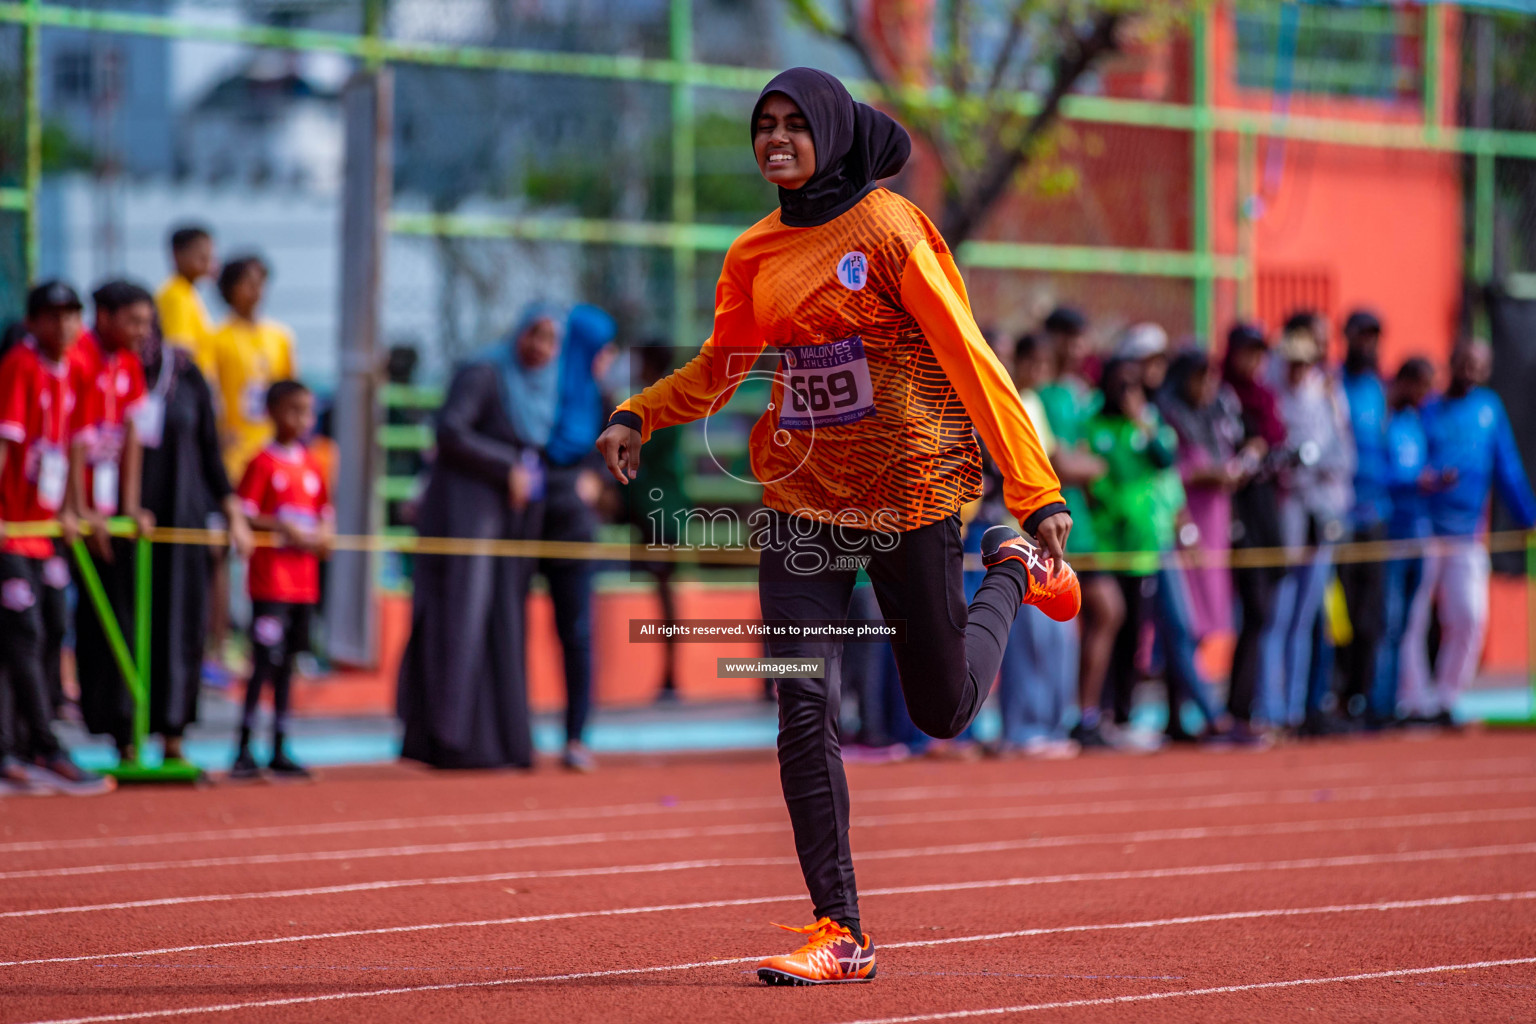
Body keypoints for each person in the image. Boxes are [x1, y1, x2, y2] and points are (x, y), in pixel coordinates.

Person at [595, 68, 1077, 986]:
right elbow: (719, 366)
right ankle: (840, 927)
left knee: (941, 711)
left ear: (831, 131)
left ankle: (1010, 568)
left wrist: (1034, 494)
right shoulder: (755, 253)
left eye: (792, 126)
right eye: (762, 127)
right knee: (802, 699)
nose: (774, 141)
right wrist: (638, 413)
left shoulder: (892, 230)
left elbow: (973, 362)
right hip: (803, 506)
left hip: (914, 495)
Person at [396, 305, 558, 770]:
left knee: (501, 624)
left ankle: (497, 744)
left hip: (508, 523)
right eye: (535, 335)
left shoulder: (540, 389)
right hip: (464, 518)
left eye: (551, 341)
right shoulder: (484, 372)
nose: (540, 349)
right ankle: (451, 741)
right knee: (461, 623)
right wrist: (505, 464)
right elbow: (450, 430)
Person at [0, 282, 113, 794]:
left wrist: (73, 511)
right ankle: (39, 744)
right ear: (34, 322)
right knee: (21, 637)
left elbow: (71, 450)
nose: (65, 326)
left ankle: (24, 745)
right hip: (12, 531)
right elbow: (8, 443)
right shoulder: (20, 367)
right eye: (54, 316)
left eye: (73, 316)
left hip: (45, 533)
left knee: (48, 629)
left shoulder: (79, 370)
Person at [136, 318, 255, 761]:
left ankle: (173, 739)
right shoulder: (112, 371)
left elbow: (211, 452)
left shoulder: (187, 374)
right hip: (128, 529)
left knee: (182, 627)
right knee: (132, 625)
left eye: (141, 322)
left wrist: (232, 515)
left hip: (183, 523)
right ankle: (126, 739)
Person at [1400, 339, 1536, 724]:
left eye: (1478, 365)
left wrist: (1528, 516)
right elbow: (1411, 458)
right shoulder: (1428, 409)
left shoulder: (1489, 410)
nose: (1469, 371)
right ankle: (1413, 699)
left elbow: (1506, 466)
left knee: (1470, 617)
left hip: (1468, 534)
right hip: (1425, 529)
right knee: (1413, 618)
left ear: (1487, 370)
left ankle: (1447, 696)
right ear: (1452, 362)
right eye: (1464, 362)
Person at [67, 281, 156, 761]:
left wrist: (130, 506)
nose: (143, 332)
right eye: (134, 321)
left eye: (146, 322)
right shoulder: (76, 357)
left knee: (122, 616)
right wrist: (79, 510)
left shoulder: (129, 364)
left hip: (107, 512)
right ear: (104, 316)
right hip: (64, 510)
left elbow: (132, 437)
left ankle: (123, 731)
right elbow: (71, 437)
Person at [231, 380, 332, 779]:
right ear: (273, 412)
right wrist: (281, 527)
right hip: (271, 582)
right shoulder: (262, 463)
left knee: (289, 664)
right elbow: (245, 512)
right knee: (263, 663)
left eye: (306, 412)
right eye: (293, 410)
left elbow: (325, 514)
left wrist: (324, 536)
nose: (301, 420)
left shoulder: (312, 464)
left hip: (303, 583)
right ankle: (242, 746)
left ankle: (279, 745)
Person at [205, 254, 295, 678]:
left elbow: (289, 396)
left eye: (261, 282)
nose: (255, 291)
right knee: (222, 554)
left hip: (268, 463)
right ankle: (218, 645)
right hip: (231, 463)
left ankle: (269, 643)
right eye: (247, 282)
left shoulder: (279, 337)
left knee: (272, 553)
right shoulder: (217, 338)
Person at [1037, 307, 1121, 751]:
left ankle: (1085, 714)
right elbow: (1063, 463)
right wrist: (1095, 465)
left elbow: (1090, 458)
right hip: (1053, 524)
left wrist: (1091, 465)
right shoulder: (1046, 395)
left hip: (1085, 526)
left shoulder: (1085, 394)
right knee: (1061, 621)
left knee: (1106, 611)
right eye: (1068, 337)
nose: (1077, 347)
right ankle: (1064, 715)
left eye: (1081, 338)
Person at [540, 303, 618, 772]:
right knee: (505, 623)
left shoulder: (602, 397)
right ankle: (504, 734)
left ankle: (575, 735)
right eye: (603, 348)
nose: (607, 357)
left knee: (576, 632)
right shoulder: (542, 388)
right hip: (528, 523)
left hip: (574, 527)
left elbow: (618, 456)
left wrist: (596, 479)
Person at [1222, 322, 1285, 744]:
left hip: (1266, 515)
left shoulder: (1265, 398)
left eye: (1260, 352)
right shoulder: (1224, 396)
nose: (1254, 360)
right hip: (1233, 515)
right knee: (1254, 611)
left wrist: (1264, 448)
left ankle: (1255, 706)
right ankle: (1236, 709)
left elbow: (1278, 438)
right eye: (1248, 351)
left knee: (1266, 615)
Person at [1337, 310, 1390, 721]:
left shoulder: (1380, 389)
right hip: (1340, 517)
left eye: (1374, 337)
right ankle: (1334, 695)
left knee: (1372, 615)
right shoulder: (1333, 384)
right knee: (1340, 617)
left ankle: (1363, 697)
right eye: (1361, 336)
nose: (1367, 345)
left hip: (1376, 518)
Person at [1376, 357, 1436, 725]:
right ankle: (1381, 703)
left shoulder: (1417, 421)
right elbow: (1379, 472)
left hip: (1419, 532)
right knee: (1388, 622)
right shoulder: (1386, 420)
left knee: (1410, 624)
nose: (1425, 394)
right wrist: (1412, 482)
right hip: (1390, 535)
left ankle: (1402, 699)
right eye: (1421, 385)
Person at [155, 224, 218, 377]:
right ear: (177, 254)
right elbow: (180, 353)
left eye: (209, 256)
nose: (208, 261)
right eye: (201, 256)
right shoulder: (177, 294)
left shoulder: (187, 292)